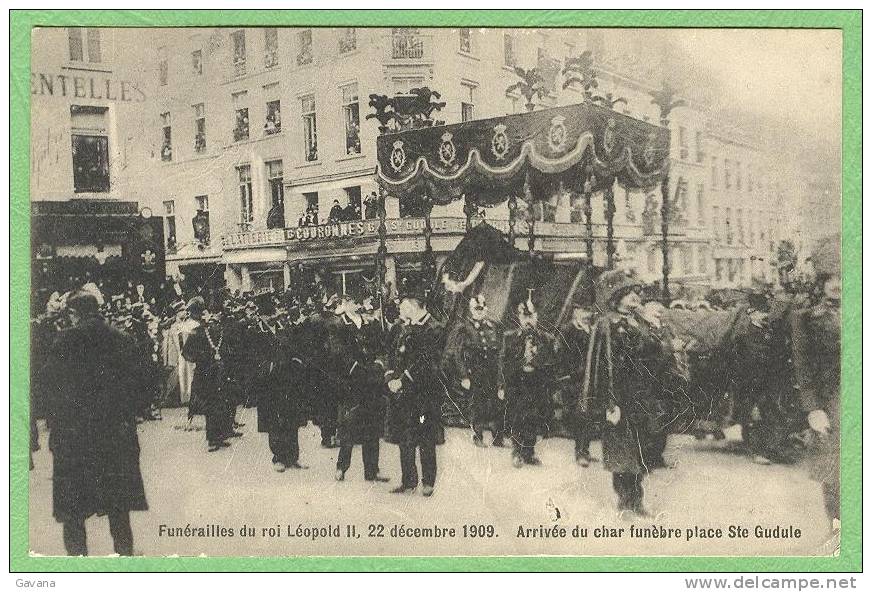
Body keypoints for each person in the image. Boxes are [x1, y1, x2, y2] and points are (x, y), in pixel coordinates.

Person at [41, 290, 149, 555]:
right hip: (115, 437)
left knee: (73, 513)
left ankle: (80, 567)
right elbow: (142, 386)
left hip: (74, 438)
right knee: (118, 509)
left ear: (74, 314)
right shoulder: (122, 339)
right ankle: (124, 560)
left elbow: (46, 386)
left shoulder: (64, 341)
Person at [580, 270, 670, 516]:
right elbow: (602, 365)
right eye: (629, 294)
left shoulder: (640, 322)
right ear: (617, 296)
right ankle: (624, 502)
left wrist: (657, 335)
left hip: (641, 396)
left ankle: (637, 500)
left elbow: (655, 357)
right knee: (622, 451)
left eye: (636, 294)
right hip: (619, 396)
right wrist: (610, 402)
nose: (635, 298)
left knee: (640, 448)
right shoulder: (606, 324)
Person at [791, 236, 841, 534]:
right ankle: (838, 532)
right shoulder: (806, 318)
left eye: (843, 277)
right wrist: (813, 409)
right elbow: (803, 368)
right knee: (834, 472)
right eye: (830, 278)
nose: (836, 284)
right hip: (832, 403)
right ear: (821, 281)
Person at [384, 275, 444, 496]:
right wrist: (390, 378)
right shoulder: (400, 328)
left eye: (403, 304)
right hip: (402, 395)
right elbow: (391, 354)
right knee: (405, 439)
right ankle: (408, 481)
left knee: (425, 437)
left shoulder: (433, 328)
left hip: (424, 395)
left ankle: (428, 481)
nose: (400, 307)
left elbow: (427, 362)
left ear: (413, 304)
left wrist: (403, 380)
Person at [329, 290, 390, 482]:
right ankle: (341, 467)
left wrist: (378, 364)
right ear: (345, 303)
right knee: (349, 427)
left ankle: (372, 470)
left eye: (356, 301)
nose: (354, 304)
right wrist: (356, 368)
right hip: (351, 383)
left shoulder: (370, 324)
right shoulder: (339, 325)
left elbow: (381, 348)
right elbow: (337, 353)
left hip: (371, 382)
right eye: (350, 301)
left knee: (372, 427)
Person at [498, 296, 557, 468]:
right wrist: (501, 385)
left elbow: (550, 361)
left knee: (533, 416)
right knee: (517, 416)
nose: (528, 321)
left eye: (531, 317)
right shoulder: (510, 337)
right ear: (519, 317)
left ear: (537, 317)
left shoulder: (546, 338)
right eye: (524, 317)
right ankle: (517, 452)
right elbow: (503, 362)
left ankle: (529, 452)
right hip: (517, 382)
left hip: (536, 381)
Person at [182, 298, 241, 452]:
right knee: (211, 405)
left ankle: (219, 436)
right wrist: (201, 360)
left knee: (220, 404)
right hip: (207, 373)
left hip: (217, 373)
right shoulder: (200, 332)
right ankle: (213, 438)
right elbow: (187, 353)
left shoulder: (214, 331)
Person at [454, 294, 504, 447]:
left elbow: (499, 350)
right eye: (476, 309)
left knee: (496, 403)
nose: (479, 312)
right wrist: (464, 376)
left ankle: (498, 437)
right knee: (477, 404)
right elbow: (458, 353)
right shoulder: (464, 328)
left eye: (482, 309)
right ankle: (478, 435)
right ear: (471, 310)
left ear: (486, 309)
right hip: (475, 371)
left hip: (492, 371)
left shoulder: (493, 326)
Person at [557, 300, 598, 466]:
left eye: (589, 311)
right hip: (574, 379)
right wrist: (569, 373)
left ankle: (584, 449)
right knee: (579, 415)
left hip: (590, 378)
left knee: (589, 414)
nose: (587, 314)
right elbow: (561, 354)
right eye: (583, 310)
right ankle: (580, 451)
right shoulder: (569, 330)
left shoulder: (593, 330)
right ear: (575, 311)